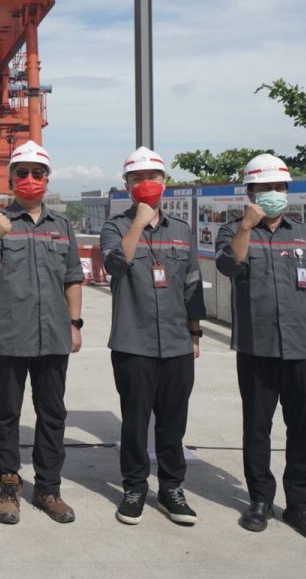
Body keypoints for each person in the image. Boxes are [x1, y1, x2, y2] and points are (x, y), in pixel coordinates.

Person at [215, 153, 306, 543]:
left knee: (303, 429)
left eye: (280, 187)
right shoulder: (233, 231)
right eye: (266, 188)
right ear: (250, 192)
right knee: (257, 428)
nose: (274, 194)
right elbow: (229, 266)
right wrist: (247, 226)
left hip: (303, 348)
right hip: (257, 348)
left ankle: (301, 505)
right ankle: (258, 500)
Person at [0, 141, 84, 525]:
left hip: (54, 334)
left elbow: (73, 277)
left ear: (47, 179)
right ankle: (8, 488)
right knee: (7, 413)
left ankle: (48, 489)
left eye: (38, 173)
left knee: (52, 414)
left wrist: (75, 324)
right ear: (11, 178)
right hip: (10, 333)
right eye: (22, 173)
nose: (30, 180)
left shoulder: (62, 226)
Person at [100, 146, 206, 527]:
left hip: (177, 342)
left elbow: (192, 284)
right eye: (137, 179)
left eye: (153, 178)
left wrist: (195, 333)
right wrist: (137, 224)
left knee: (173, 423)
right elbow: (114, 264)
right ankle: (134, 488)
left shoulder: (182, 231)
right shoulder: (115, 226)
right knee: (135, 420)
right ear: (127, 185)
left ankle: (172, 489)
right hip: (133, 341)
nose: (146, 184)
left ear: (165, 183)